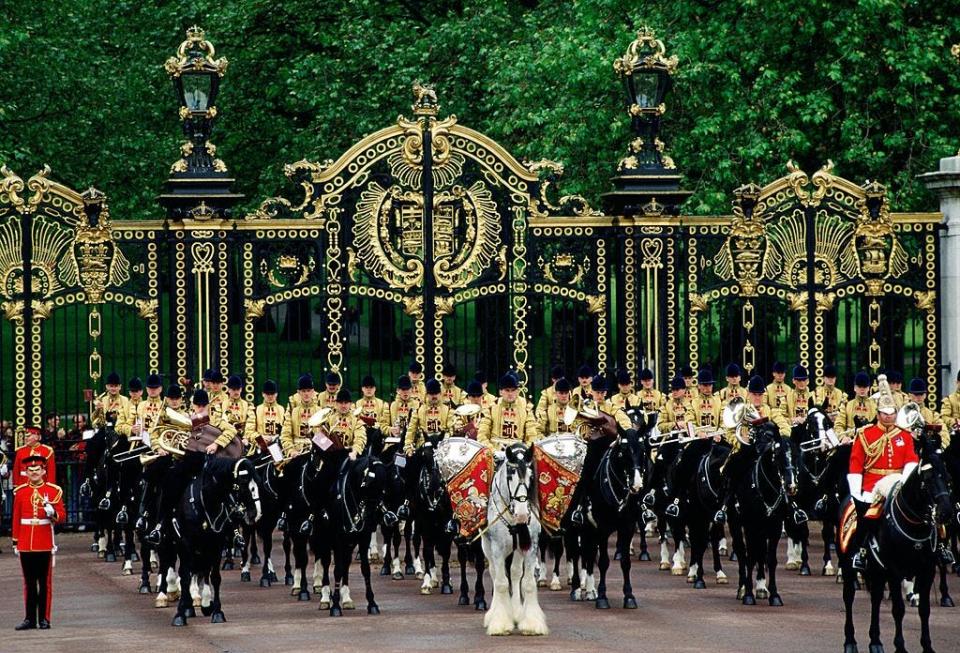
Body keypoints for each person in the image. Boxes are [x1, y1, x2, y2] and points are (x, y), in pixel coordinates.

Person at [144, 389, 237, 546]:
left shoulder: (213, 418)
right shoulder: (188, 418)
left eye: (203, 406)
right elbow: (160, 433)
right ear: (193, 405)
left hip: (210, 461)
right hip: (189, 461)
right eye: (197, 405)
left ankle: (234, 530)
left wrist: (216, 443)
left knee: (228, 486)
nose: (200, 409)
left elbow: (231, 430)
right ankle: (160, 524)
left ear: (208, 405)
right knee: (170, 483)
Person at [848, 375, 919, 572]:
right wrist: (856, 492)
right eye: (884, 413)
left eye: (892, 413)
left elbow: (911, 461)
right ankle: (861, 552)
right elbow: (856, 464)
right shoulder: (865, 434)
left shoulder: (904, 435)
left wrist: (904, 483)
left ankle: (937, 548)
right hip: (872, 485)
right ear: (878, 413)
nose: (889, 417)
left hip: (899, 483)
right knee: (866, 517)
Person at [714, 375, 791, 524]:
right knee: (733, 467)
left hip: (767, 451)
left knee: (788, 467)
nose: (757, 397)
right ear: (748, 394)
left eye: (760, 394)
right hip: (747, 451)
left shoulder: (771, 411)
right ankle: (724, 506)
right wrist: (740, 441)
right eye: (754, 394)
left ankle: (791, 506)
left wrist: (775, 438)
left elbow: (785, 428)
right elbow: (728, 432)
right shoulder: (740, 411)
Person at [11, 454, 65, 630]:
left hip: (43, 540)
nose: (34, 473)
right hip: (26, 541)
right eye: (30, 470)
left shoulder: (54, 491)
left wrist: (53, 513)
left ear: (43, 471)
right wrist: (15, 541)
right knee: (29, 582)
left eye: (37, 470)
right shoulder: (20, 492)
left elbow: (62, 516)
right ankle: (29, 619)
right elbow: (16, 518)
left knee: (44, 582)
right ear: (26, 473)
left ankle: (44, 618)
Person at [477, 373, 540, 450]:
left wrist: (525, 451)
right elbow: (482, 435)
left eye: (513, 390)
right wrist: (492, 451)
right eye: (507, 390)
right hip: (495, 452)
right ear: (500, 392)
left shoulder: (526, 407)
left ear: (517, 391)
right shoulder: (491, 408)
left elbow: (532, 435)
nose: (510, 394)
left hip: (519, 452)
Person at [279, 374, 322, 459]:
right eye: (303, 391)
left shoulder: (320, 411)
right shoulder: (292, 411)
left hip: (316, 452)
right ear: (298, 392)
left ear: (313, 391)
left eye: (308, 390)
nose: (306, 394)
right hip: (296, 453)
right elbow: (285, 435)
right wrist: (291, 451)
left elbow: (325, 435)